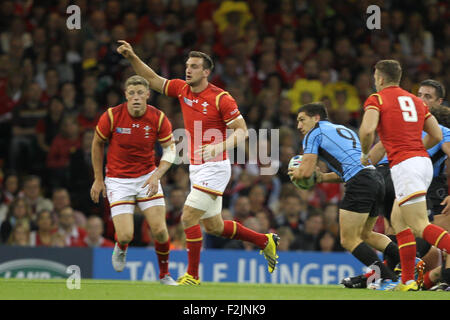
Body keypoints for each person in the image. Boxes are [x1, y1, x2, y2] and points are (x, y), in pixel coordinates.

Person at [117, 40, 279, 285]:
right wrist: (132, 57)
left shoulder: (220, 98)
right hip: (196, 167)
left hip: (215, 167)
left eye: (194, 66)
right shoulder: (182, 89)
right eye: (187, 65)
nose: (188, 70)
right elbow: (151, 79)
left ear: (206, 72)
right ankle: (265, 241)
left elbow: (242, 131)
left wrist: (217, 146)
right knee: (214, 226)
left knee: (188, 217)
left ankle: (192, 275)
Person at [359, 60, 448, 291]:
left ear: (379, 78)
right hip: (422, 163)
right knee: (399, 222)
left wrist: (362, 153)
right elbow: (437, 134)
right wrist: (417, 150)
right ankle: (408, 281)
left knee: (420, 225)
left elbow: (368, 130)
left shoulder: (377, 99)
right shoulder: (416, 101)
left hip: (405, 166)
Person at [288, 102, 400, 287]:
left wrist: (295, 173)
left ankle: (387, 278)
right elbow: (348, 168)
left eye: (302, 120)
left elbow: (305, 173)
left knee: (348, 240)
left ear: (316, 118)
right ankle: (413, 261)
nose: (299, 126)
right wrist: (322, 177)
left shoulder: (313, 133)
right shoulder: (341, 129)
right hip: (375, 178)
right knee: (365, 234)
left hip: (361, 182)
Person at [90, 75, 178, 285]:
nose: (136, 97)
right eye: (132, 93)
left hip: (147, 176)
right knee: (126, 235)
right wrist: (98, 179)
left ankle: (164, 274)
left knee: (160, 230)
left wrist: (157, 174)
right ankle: (121, 247)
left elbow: (170, 150)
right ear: (126, 95)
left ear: (148, 95)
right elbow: (97, 144)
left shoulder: (158, 118)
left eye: (140, 93)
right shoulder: (112, 116)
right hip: (118, 180)